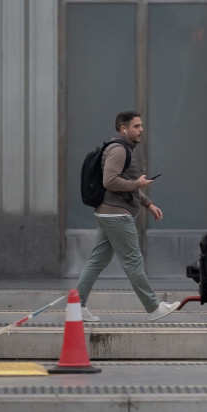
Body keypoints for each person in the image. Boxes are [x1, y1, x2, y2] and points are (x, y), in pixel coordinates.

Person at [75, 111, 180, 322]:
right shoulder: (119, 150)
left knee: (96, 261)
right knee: (133, 262)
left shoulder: (123, 149)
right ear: (124, 129)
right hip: (116, 215)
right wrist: (137, 184)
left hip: (109, 213)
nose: (141, 129)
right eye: (137, 126)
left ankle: (76, 307)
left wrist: (147, 203)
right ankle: (153, 308)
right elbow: (110, 181)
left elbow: (124, 185)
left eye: (141, 126)